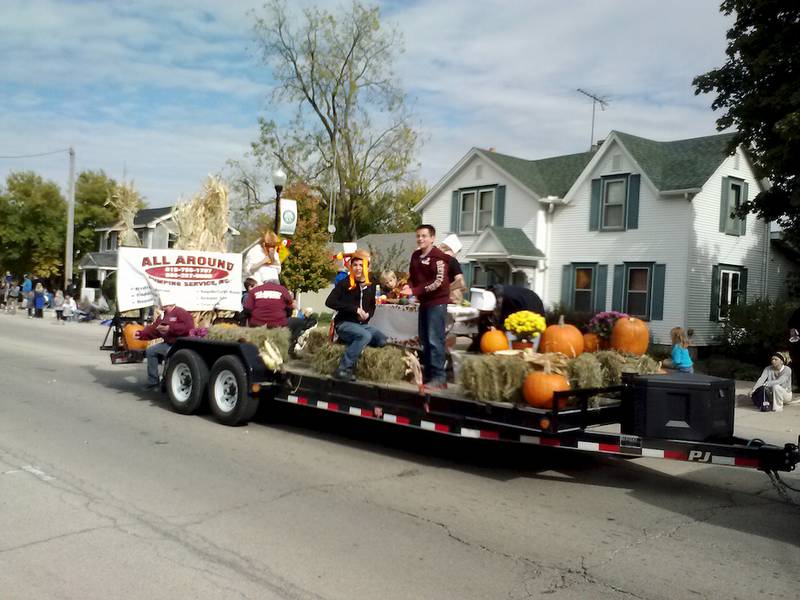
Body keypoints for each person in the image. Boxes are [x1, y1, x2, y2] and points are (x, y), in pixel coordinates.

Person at [325, 250, 386, 381]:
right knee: (365, 336)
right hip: (344, 323)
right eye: (355, 265)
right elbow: (329, 302)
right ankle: (343, 368)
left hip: (362, 325)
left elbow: (372, 305)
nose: (358, 268)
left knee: (381, 340)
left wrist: (368, 315)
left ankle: (357, 357)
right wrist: (354, 309)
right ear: (351, 267)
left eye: (361, 265)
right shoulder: (345, 283)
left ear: (368, 267)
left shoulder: (372, 283)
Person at [406, 224, 450, 390]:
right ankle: (430, 376)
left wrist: (415, 290)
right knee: (424, 339)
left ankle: (440, 377)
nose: (420, 239)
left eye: (424, 236)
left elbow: (438, 282)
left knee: (434, 340)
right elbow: (412, 277)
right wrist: (408, 286)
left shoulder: (439, 257)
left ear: (432, 238)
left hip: (437, 302)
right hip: (424, 303)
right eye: (418, 236)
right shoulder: (416, 256)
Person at [136, 303, 195, 391]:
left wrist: (170, 328)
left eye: (166, 305)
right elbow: (154, 329)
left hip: (180, 345)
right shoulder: (163, 315)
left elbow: (189, 327)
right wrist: (141, 334)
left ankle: (167, 382)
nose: (164, 307)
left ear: (172, 304)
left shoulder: (181, 312)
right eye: (163, 305)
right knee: (151, 351)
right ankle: (153, 382)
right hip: (168, 343)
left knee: (170, 356)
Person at [438, 234, 466, 305]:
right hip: (449, 301)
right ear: (455, 249)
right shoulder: (452, 261)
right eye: (458, 252)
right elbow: (461, 282)